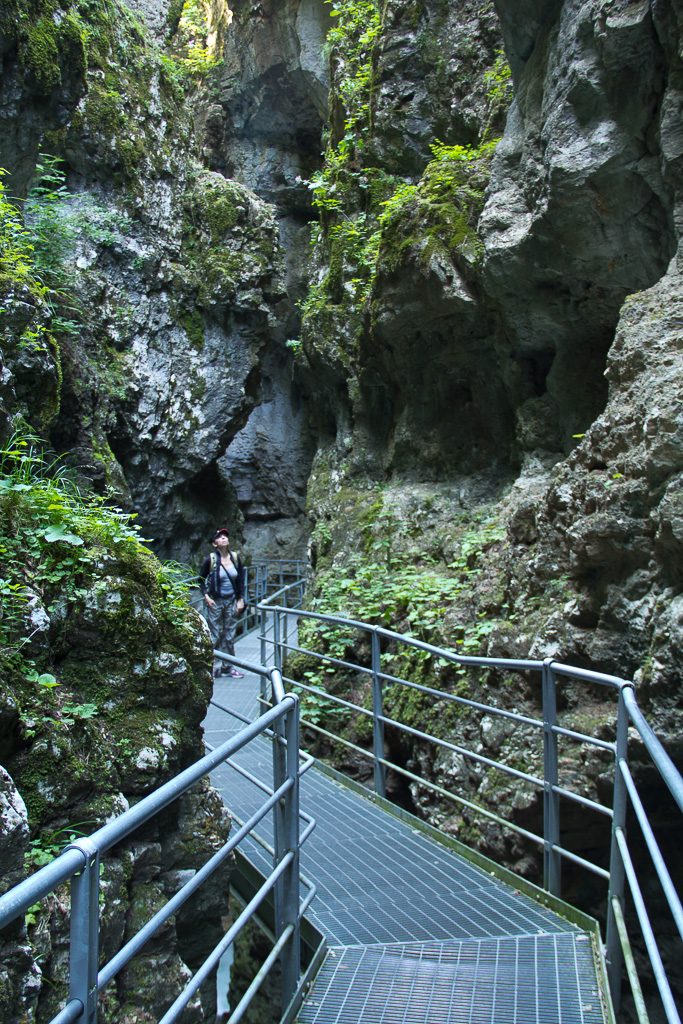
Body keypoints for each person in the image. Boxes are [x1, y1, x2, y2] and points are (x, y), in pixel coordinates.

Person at [199, 527, 246, 678]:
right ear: (215, 543)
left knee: (229, 635)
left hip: (232, 600)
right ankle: (212, 667)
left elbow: (240, 580)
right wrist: (206, 596)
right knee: (215, 634)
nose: (224, 538)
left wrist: (241, 599)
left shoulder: (235, 558)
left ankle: (228, 667)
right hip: (215, 602)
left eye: (225, 535)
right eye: (220, 537)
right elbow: (200, 579)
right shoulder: (210, 560)